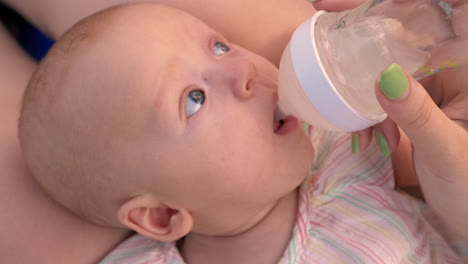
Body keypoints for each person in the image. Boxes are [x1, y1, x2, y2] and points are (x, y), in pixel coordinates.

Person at [18, 3, 467, 263]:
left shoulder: (340, 147)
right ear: (160, 218)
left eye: (219, 46)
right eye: (194, 99)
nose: (242, 69)